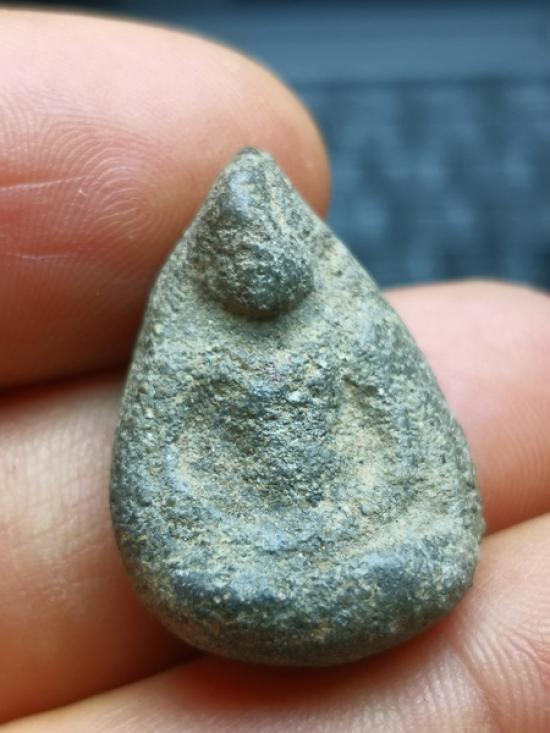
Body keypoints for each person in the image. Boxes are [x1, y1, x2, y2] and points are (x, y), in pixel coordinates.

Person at [1, 10, 549, 732]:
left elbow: (418, 450)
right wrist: (215, 534)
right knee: (199, 581)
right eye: (237, 258)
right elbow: (156, 473)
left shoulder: (351, 327)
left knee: (428, 557)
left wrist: (387, 511)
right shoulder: (192, 348)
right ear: (211, 266)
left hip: (358, 524)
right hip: (244, 544)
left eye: (267, 255)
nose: (255, 271)